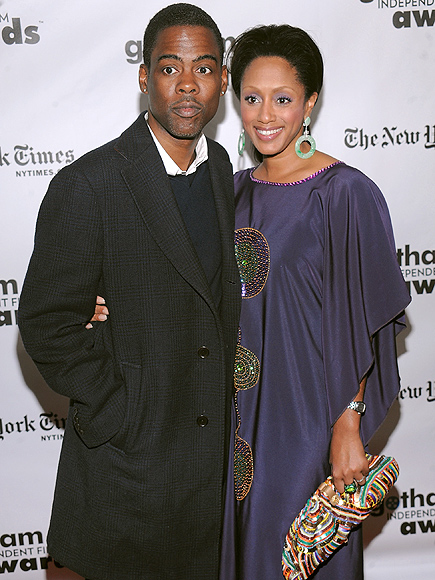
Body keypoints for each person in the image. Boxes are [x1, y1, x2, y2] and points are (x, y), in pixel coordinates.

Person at [17, 4, 241, 580]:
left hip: (208, 481)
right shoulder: (89, 185)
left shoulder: (222, 173)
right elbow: (45, 323)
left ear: (222, 80)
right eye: (171, 68)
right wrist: (121, 407)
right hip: (125, 476)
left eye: (205, 68)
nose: (188, 85)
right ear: (145, 78)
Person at [218, 24, 411, 580]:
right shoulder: (230, 192)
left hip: (308, 422)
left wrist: (348, 424)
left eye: (282, 99)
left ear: (310, 103)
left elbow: (364, 320)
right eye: (251, 99)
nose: (264, 115)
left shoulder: (344, 192)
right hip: (238, 427)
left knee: (296, 559)